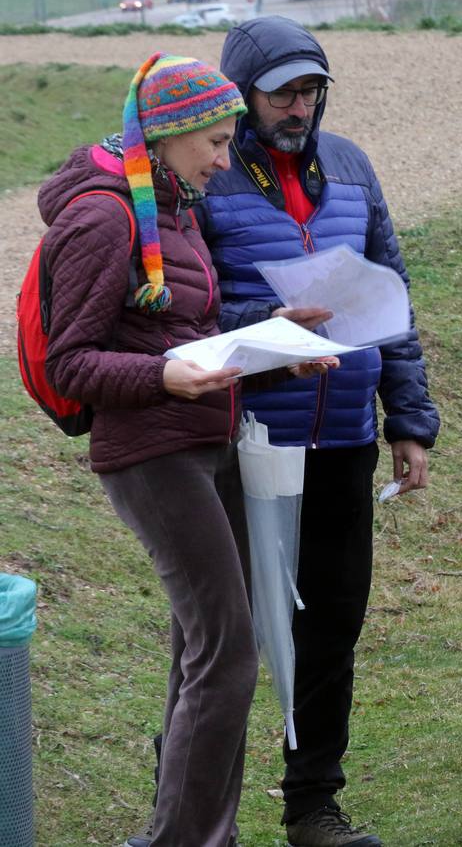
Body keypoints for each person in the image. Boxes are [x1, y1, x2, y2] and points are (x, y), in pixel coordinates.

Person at [41, 53, 333, 847]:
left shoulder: (170, 206)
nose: (221, 156)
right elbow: (71, 360)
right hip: (151, 454)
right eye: (211, 139)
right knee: (229, 654)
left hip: (207, 442)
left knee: (203, 654)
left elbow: (188, 335)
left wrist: (273, 347)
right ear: (164, 135)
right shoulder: (104, 217)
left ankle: (205, 831)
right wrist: (166, 377)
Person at [198, 16, 440, 847]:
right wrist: (269, 331)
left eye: (311, 90)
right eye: (282, 92)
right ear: (241, 98)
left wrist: (409, 420)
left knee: (332, 623)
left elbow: (391, 298)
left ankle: (312, 808)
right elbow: (190, 312)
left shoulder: (352, 168)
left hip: (343, 437)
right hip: (245, 438)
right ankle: (196, 812)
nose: (299, 107)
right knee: (227, 632)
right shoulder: (206, 176)